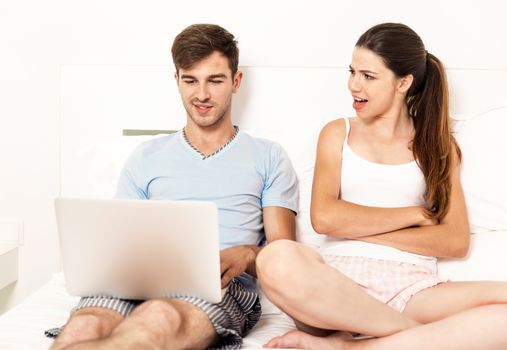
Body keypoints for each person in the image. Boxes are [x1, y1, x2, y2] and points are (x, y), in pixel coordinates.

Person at [256, 22, 507, 350]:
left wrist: (356, 225)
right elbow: (326, 218)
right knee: (274, 258)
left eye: (368, 76)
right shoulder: (337, 133)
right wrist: (415, 214)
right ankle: (409, 337)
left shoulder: (436, 146)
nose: (353, 85)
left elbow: (454, 240)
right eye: (352, 72)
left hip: (412, 286)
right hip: (335, 286)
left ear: (403, 82)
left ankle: (353, 345)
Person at [48, 23, 298, 350]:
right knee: (84, 325)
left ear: (236, 82)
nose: (202, 94)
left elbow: (286, 255)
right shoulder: (145, 156)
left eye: (215, 80)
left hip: (221, 286)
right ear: (176, 80)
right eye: (190, 80)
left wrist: (247, 254)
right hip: (137, 280)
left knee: (160, 316)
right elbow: (119, 238)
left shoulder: (268, 155)